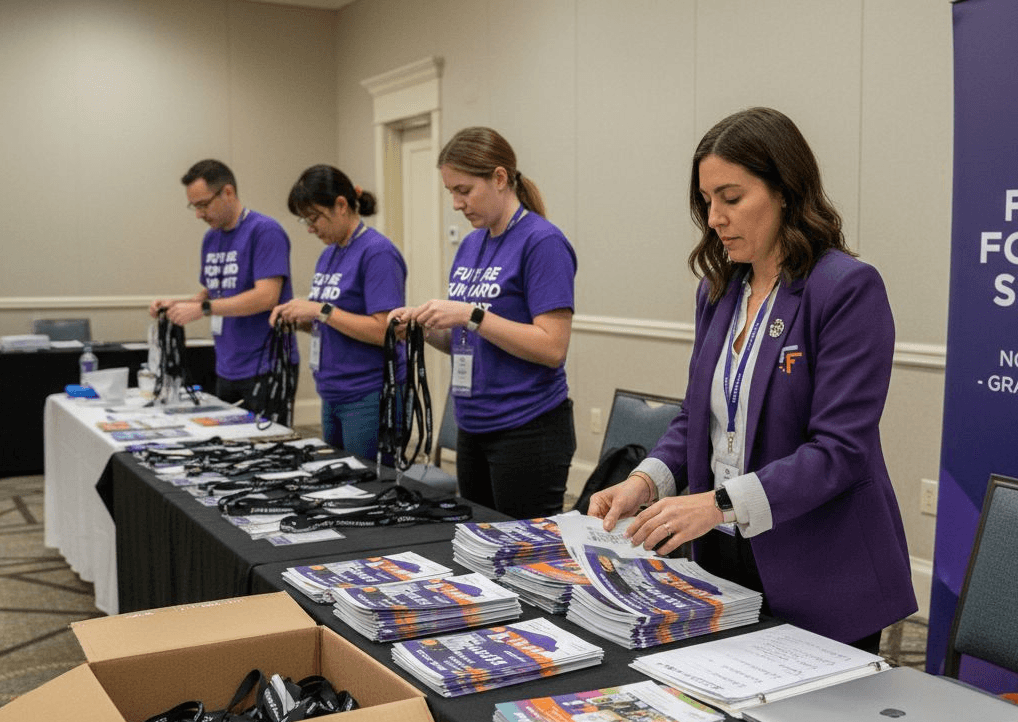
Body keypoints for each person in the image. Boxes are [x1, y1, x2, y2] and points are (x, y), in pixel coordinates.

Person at [587, 107, 917, 648]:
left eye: (731, 198)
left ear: (785, 190)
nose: (714, 217)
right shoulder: (718, 291)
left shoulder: (845, 289)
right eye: (707, 201)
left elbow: (838, 451)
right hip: (722, 557)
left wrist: (715, 501)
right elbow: (699, 416)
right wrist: (642, 483)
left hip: (821, 570)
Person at [389, 127, 576, 519]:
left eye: (464, 190)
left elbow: (552, 347)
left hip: (527, 427)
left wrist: (472, 315)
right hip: (473, 424)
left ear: (499, 178)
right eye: (451, 193)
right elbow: (465, 338)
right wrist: (422, 328)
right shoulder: (473, 243)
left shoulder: (542, 242)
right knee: (478, 545)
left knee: (520, 555)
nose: (457, 204)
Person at [270, 165, 406, 461]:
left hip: (368, 393)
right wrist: (300, 319)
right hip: (333, 391)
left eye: (314, 217)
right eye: (305, 220)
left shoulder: (377, 253)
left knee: (365, 488)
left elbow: (386, 329)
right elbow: (330, 321)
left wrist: (321, 310)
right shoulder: (329, 253)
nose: (310, 227)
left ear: (341, 205)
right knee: (339, 486)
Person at [150, 159, 294, 416]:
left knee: (266, 448)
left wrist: (204, 308)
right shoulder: (211, 237)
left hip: (266, 365)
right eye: (193, 207)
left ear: (228, 192)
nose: (199, 214)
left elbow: (267, 297)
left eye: (203, 205)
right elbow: (214, 292)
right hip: (227, 364)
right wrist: (181, 305)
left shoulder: (265, 231)